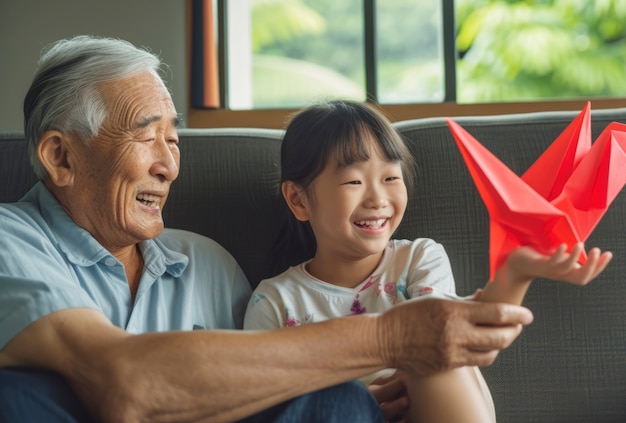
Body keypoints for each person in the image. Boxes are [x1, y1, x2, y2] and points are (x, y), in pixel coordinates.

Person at [0, 34, 545, 423]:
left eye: (175, 140)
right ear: (60, 156)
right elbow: (126, 388)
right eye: (147, 137)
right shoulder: (10, 243)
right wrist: (396, 337)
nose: (170, 165)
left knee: (340, 405)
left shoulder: (208, 265)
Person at [243, 100, 612, 422]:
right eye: (354, 182)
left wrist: (517, 270)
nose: (378, 198)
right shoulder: (274, 301)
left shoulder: (419, 257)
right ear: (299, 200)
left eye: (390, 177)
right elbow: (259, 402)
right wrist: (356, 401)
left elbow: (465, 338)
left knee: (434, 349)